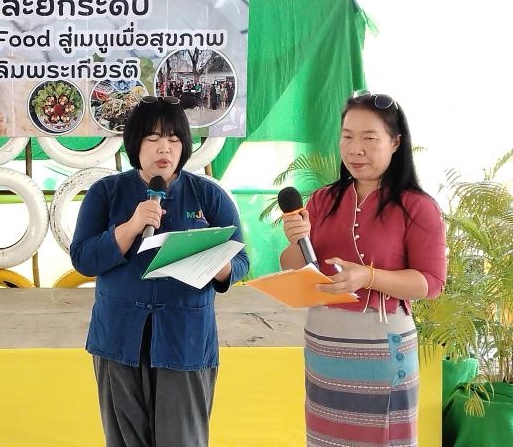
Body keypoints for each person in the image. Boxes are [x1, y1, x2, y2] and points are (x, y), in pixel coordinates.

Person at [70, 96, 249, 446]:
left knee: (183, 438)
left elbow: (240, 260)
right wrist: (131, 226)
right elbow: (83, 258)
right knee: (124, 439)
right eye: (152, 138)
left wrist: (220, 266)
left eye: (173, 139)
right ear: (135, 144)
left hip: (185, 340)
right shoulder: (106, 192)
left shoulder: (209, 195)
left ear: (184, 146)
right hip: (119, 339)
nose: (163, 148)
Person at [279, 91, 446, 447]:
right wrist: (295, 241)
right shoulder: (322, 199)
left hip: (382, 348)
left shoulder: (418, 207)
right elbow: (293, 266)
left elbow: (431, 283)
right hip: (324, 346)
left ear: (396, 142)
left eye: (369, 138)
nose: (356, 149)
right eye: (348, 137)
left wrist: (368, 276)